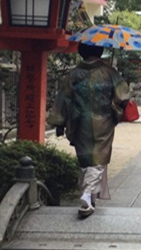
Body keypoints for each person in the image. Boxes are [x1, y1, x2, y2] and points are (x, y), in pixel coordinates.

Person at [49, 42, 130, 219]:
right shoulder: (109, 72)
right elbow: (123, 96)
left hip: (79, 121)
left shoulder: (74, 74)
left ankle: (90, 199)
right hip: (103, 121)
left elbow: (63, 98)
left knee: (85, 159)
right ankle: (87, 194)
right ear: (100, 52)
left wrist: (60, 123)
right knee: (99, 159)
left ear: (81, 52)